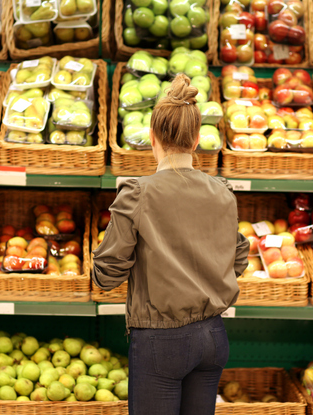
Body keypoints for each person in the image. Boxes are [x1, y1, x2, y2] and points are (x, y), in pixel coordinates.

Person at [92, 74, 250, 415]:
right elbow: (238, 259)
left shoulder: (137, 193)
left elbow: (106, 275)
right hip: (213, 335)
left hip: (160, 343)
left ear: (152, 139)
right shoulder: (222, 190)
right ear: (196, 141)